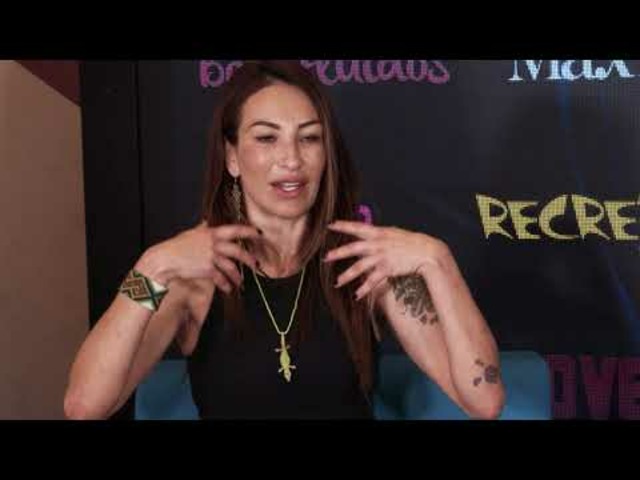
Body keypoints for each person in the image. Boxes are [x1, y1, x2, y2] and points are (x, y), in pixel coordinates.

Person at [64, 60, 505, 420]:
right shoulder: (190, 281)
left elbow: (483, 400)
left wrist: (438, 260)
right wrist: (151, 267)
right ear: (232, 157)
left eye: (309, 138)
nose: (291, 159)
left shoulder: (365, 267)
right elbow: (85, 405)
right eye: (266, 138)